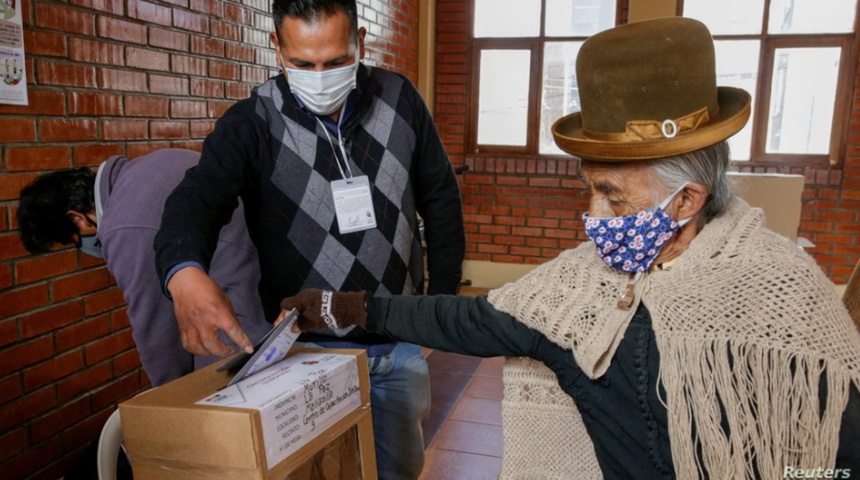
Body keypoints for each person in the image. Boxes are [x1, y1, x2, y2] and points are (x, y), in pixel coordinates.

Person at [280, 17, 860, 480]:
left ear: (686, 201)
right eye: (590, 191)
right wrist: (346, 309)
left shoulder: (782, 293)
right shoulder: (578, 292)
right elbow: (471, 319)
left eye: (612, 196)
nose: (593, 218)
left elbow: (837, 460)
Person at [152, 1, 465, 477]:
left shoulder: (399, 98)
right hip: (309, 352)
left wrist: (438, 306)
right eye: (303, 64)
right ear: (276, 46)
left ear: (359, 40)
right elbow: (196, 200)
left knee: (400, 469)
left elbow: (440, 197)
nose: (321, 76)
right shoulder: (252, 122)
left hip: (400, 338)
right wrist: (183, 272)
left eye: (337, 61)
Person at [16, 149, 272, 387]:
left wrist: (170, 396)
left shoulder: (122, 227)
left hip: (247, 304)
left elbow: (155, 327)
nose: (82, 248)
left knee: (212, 389)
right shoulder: (151, 163)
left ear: (77, 218)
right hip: (278, 270)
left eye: (71, 242)